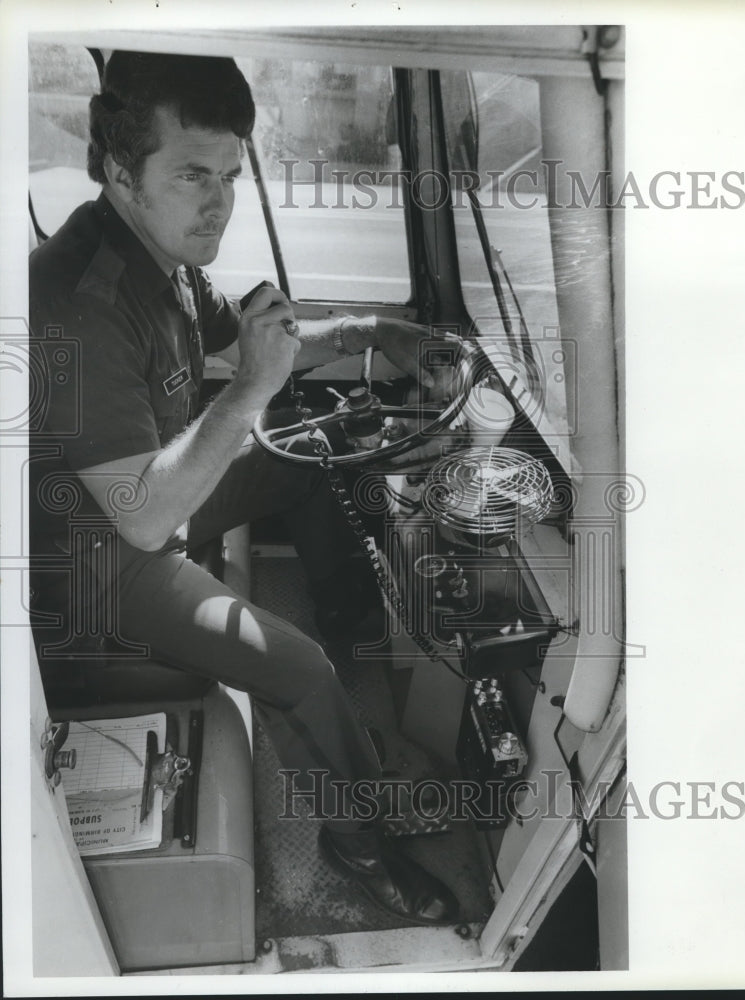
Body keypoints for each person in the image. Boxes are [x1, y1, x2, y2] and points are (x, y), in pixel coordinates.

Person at [29, 50, 458, 926]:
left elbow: (254, 339)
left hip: (154, 491)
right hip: (96, 562)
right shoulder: (79, 299)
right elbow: (145, 522)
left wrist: (377, 330)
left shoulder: (160, 252)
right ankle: (360, 841)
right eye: (193, 174)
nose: (219, 200)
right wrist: (252, 388)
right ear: (119, 170)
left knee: (303, 456)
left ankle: (357, 650)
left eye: (228, 174)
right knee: (296, 671)